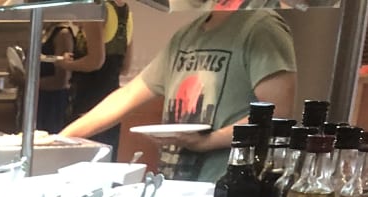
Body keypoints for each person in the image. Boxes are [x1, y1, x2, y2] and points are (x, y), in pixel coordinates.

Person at [61, 4, 295, 184]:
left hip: (227, 187)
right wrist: (62, 138)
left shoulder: (262, 27)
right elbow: (129, 94)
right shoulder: (187, 35)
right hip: (176, 183)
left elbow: (277, 112)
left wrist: (208, 142)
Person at [68, 2, 132, 154]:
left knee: (82, 156)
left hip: (88, 99)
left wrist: (66, 64)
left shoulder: (96, 8)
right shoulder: (125, 12)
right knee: (107, 154)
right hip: (112, 101)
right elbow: (125, 67)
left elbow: (95, 61)